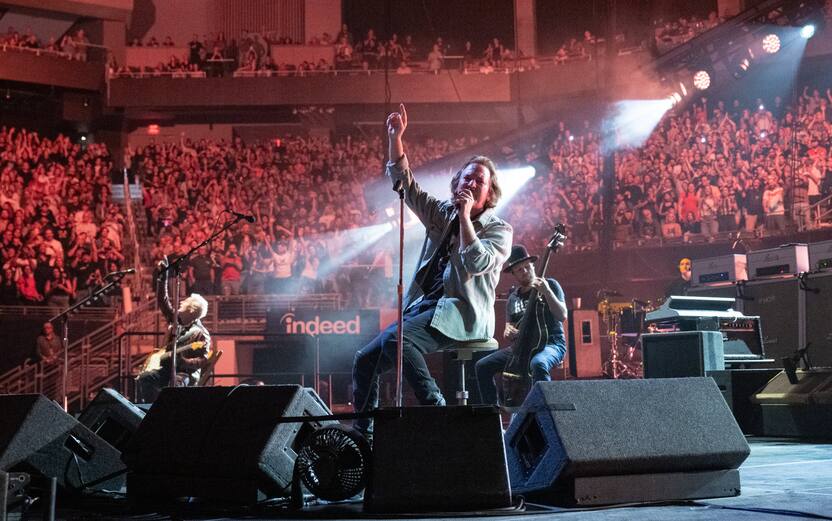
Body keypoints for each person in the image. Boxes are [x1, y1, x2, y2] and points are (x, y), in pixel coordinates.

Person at [352, 103, 512, 439]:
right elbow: (406, 186)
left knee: (398, 341)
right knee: (364, 360)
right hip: (425, 307)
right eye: (467, 176)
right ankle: (363, 434)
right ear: (457, 183)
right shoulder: (441, 213)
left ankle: (436, 407)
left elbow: (476, 263)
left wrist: (466, 217)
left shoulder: (498, 229)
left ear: (489, 193)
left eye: (479, 180)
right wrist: (396, 137)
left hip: (461, 312)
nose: (471, 181)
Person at [475, 245, 567, 406]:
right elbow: (509, 328)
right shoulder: (513, 297)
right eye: (519, 270)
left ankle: (546, 413)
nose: (524, 271)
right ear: (513, 274)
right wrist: (507, 331)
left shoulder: (550, 284)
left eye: (527, 267)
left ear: (533, 265)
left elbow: (562, 315)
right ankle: (491, 416)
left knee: (538, 363)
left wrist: (547, 292)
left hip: (551, 344)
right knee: (482, 366)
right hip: (522, 347)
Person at [136, 257, 212, 403]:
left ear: (193, 313)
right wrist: (162, 280)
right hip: (166, 370)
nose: (180, 310)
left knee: (174, 386)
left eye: (184, 309)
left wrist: (185, 362)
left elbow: (204, 359)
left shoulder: (201, 333)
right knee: (145, 378)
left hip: (186, 374)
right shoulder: (178, 320)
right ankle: (151, 409)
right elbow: (163, 301)